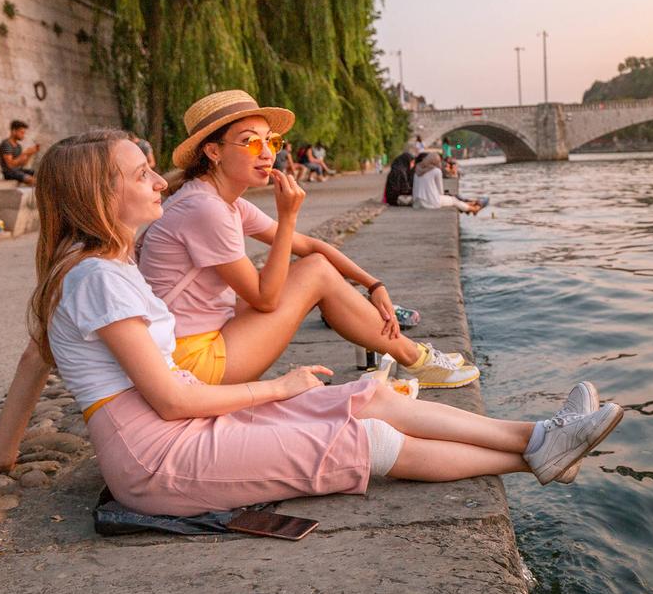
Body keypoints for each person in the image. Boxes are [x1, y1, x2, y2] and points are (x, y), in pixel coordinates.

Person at [0, 129, 623, 513]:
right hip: (159, 460)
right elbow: (169, 397)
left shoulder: (92, 263)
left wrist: (3, 456)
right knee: (367, 441)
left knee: (365, 396)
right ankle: (535, 457)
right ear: (98, 196)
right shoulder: (100, 275)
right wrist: (282, 388)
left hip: (176, 433)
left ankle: (540, 434)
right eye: (140, 175)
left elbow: (32, 361)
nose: (158, 181)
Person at [136, 90, 478, 391]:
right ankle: (412, 356)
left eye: (270, 141)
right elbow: (265, 299)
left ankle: (410, 352)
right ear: (213, 151)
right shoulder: (205, 208)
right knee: (314, 273)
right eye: (250, 142)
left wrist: (374, 284)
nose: (267, 153)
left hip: (197, 339)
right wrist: (288, 218)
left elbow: (312, 246)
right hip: (192, 364)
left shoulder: (220, 200)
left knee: (315, 267)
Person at [412, 153, 484, 214]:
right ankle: (474, 209)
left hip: (417, 203)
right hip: (431, 204)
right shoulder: (436, 171)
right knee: (453, 200)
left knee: (451, 200)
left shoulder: (417, 170)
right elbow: (440, 191)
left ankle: (469, 206)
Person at [0, 120, 39, 185]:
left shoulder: (18, 146)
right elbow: (10, 165)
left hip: (19, 170)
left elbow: (22, 164)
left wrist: (29, 154)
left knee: (39, 173)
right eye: (21, 133)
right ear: (14, 131)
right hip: (9, 173)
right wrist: (25, 153)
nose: (23, 135)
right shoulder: (6, 144)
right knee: (32, 180)